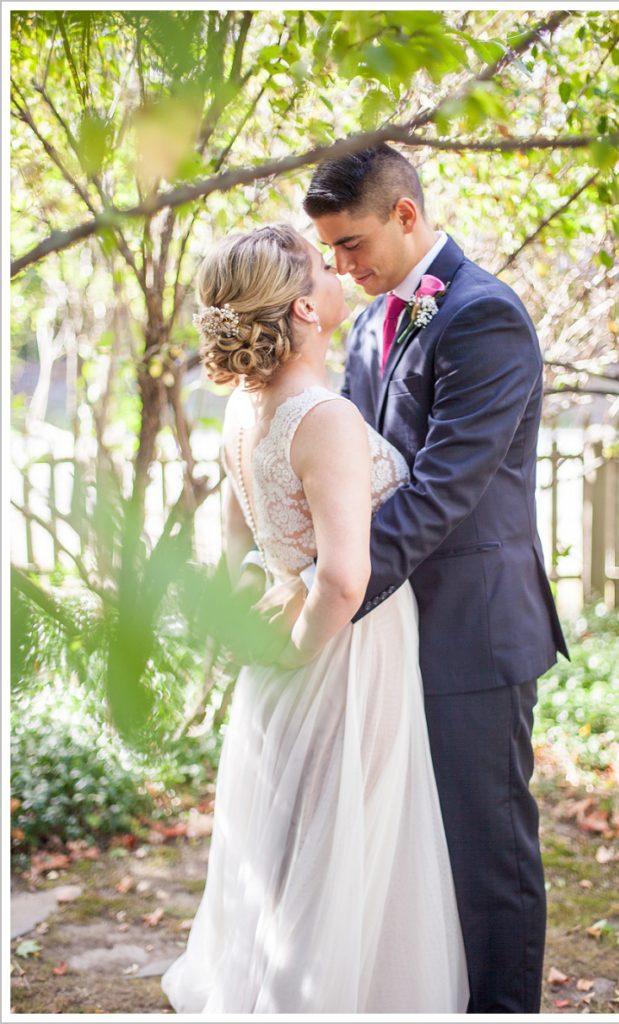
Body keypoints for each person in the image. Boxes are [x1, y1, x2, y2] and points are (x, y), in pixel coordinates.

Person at [160, 224, 470, 1013]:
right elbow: (341, 579)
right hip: (341, 654)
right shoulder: (321, 416)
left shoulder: (243, 411)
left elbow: (237, 555)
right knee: (342, 841)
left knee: (293, 842)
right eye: (318, 264)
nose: (337, 269)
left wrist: (265, 639)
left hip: (280, 652)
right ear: (304, 307)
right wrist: (301, 651)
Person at [297, 144, 571, 1014]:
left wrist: (329, 604)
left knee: (486, 861)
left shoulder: (486, 317)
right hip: (393, 634)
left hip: (472, 635)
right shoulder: (377, 320)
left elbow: (438, 491)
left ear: (406, 216)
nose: (340, 265)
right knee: (413, 852)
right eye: (329, 251)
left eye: (350, 244)